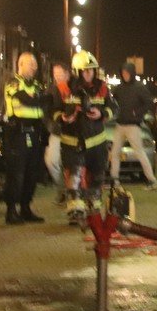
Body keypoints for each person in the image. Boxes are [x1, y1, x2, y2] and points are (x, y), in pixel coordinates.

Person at [52, 50, 117, 223]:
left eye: (92, 70)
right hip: (72, 141)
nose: (89, 74)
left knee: (97, 177)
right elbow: (52, 110)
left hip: (97, 142)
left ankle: (94, 210)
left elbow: (113, 108)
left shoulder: (102, 88)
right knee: (73, 177)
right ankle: (75, 210)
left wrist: (102, 113)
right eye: (85, 70)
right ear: (77, 72)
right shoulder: (64, 89)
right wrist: (63, 117)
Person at [2, 53, 47, 225]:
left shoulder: (36, 85)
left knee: (31, 173)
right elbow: (27, 100)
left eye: (35, 64)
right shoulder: (13, 83)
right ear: (20, 64)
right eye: (31, 64)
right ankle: (11, 211)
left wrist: (40, 100)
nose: (35, 67)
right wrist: (39, 100)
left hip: (34, 133)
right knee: (16, 174)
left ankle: (26, 208)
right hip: (17, 135)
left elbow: (45, 101)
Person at [110, 61, 157, 189]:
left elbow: (148, 102)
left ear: (131, 73)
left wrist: (137, 113)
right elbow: (111, 102)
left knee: (139, 152)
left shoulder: (139, 87)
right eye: (123, 73)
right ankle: (114, 180)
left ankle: (152, 180)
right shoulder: (119, 88)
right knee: (115, 153)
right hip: (120, 125)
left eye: (126, 73)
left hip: (133, 126)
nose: (125, 75)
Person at [43, 63, 69, 204]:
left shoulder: (74, 89)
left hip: (73, 134)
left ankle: (71, 195)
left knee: (71, 165)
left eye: (60, 74)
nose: (57, 77)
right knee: (51, 161)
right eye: (55, 74)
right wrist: (50, 125)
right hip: (57, 132)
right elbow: (45, 112)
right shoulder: (51, 91)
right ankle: (62, 189)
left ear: (67, 74)